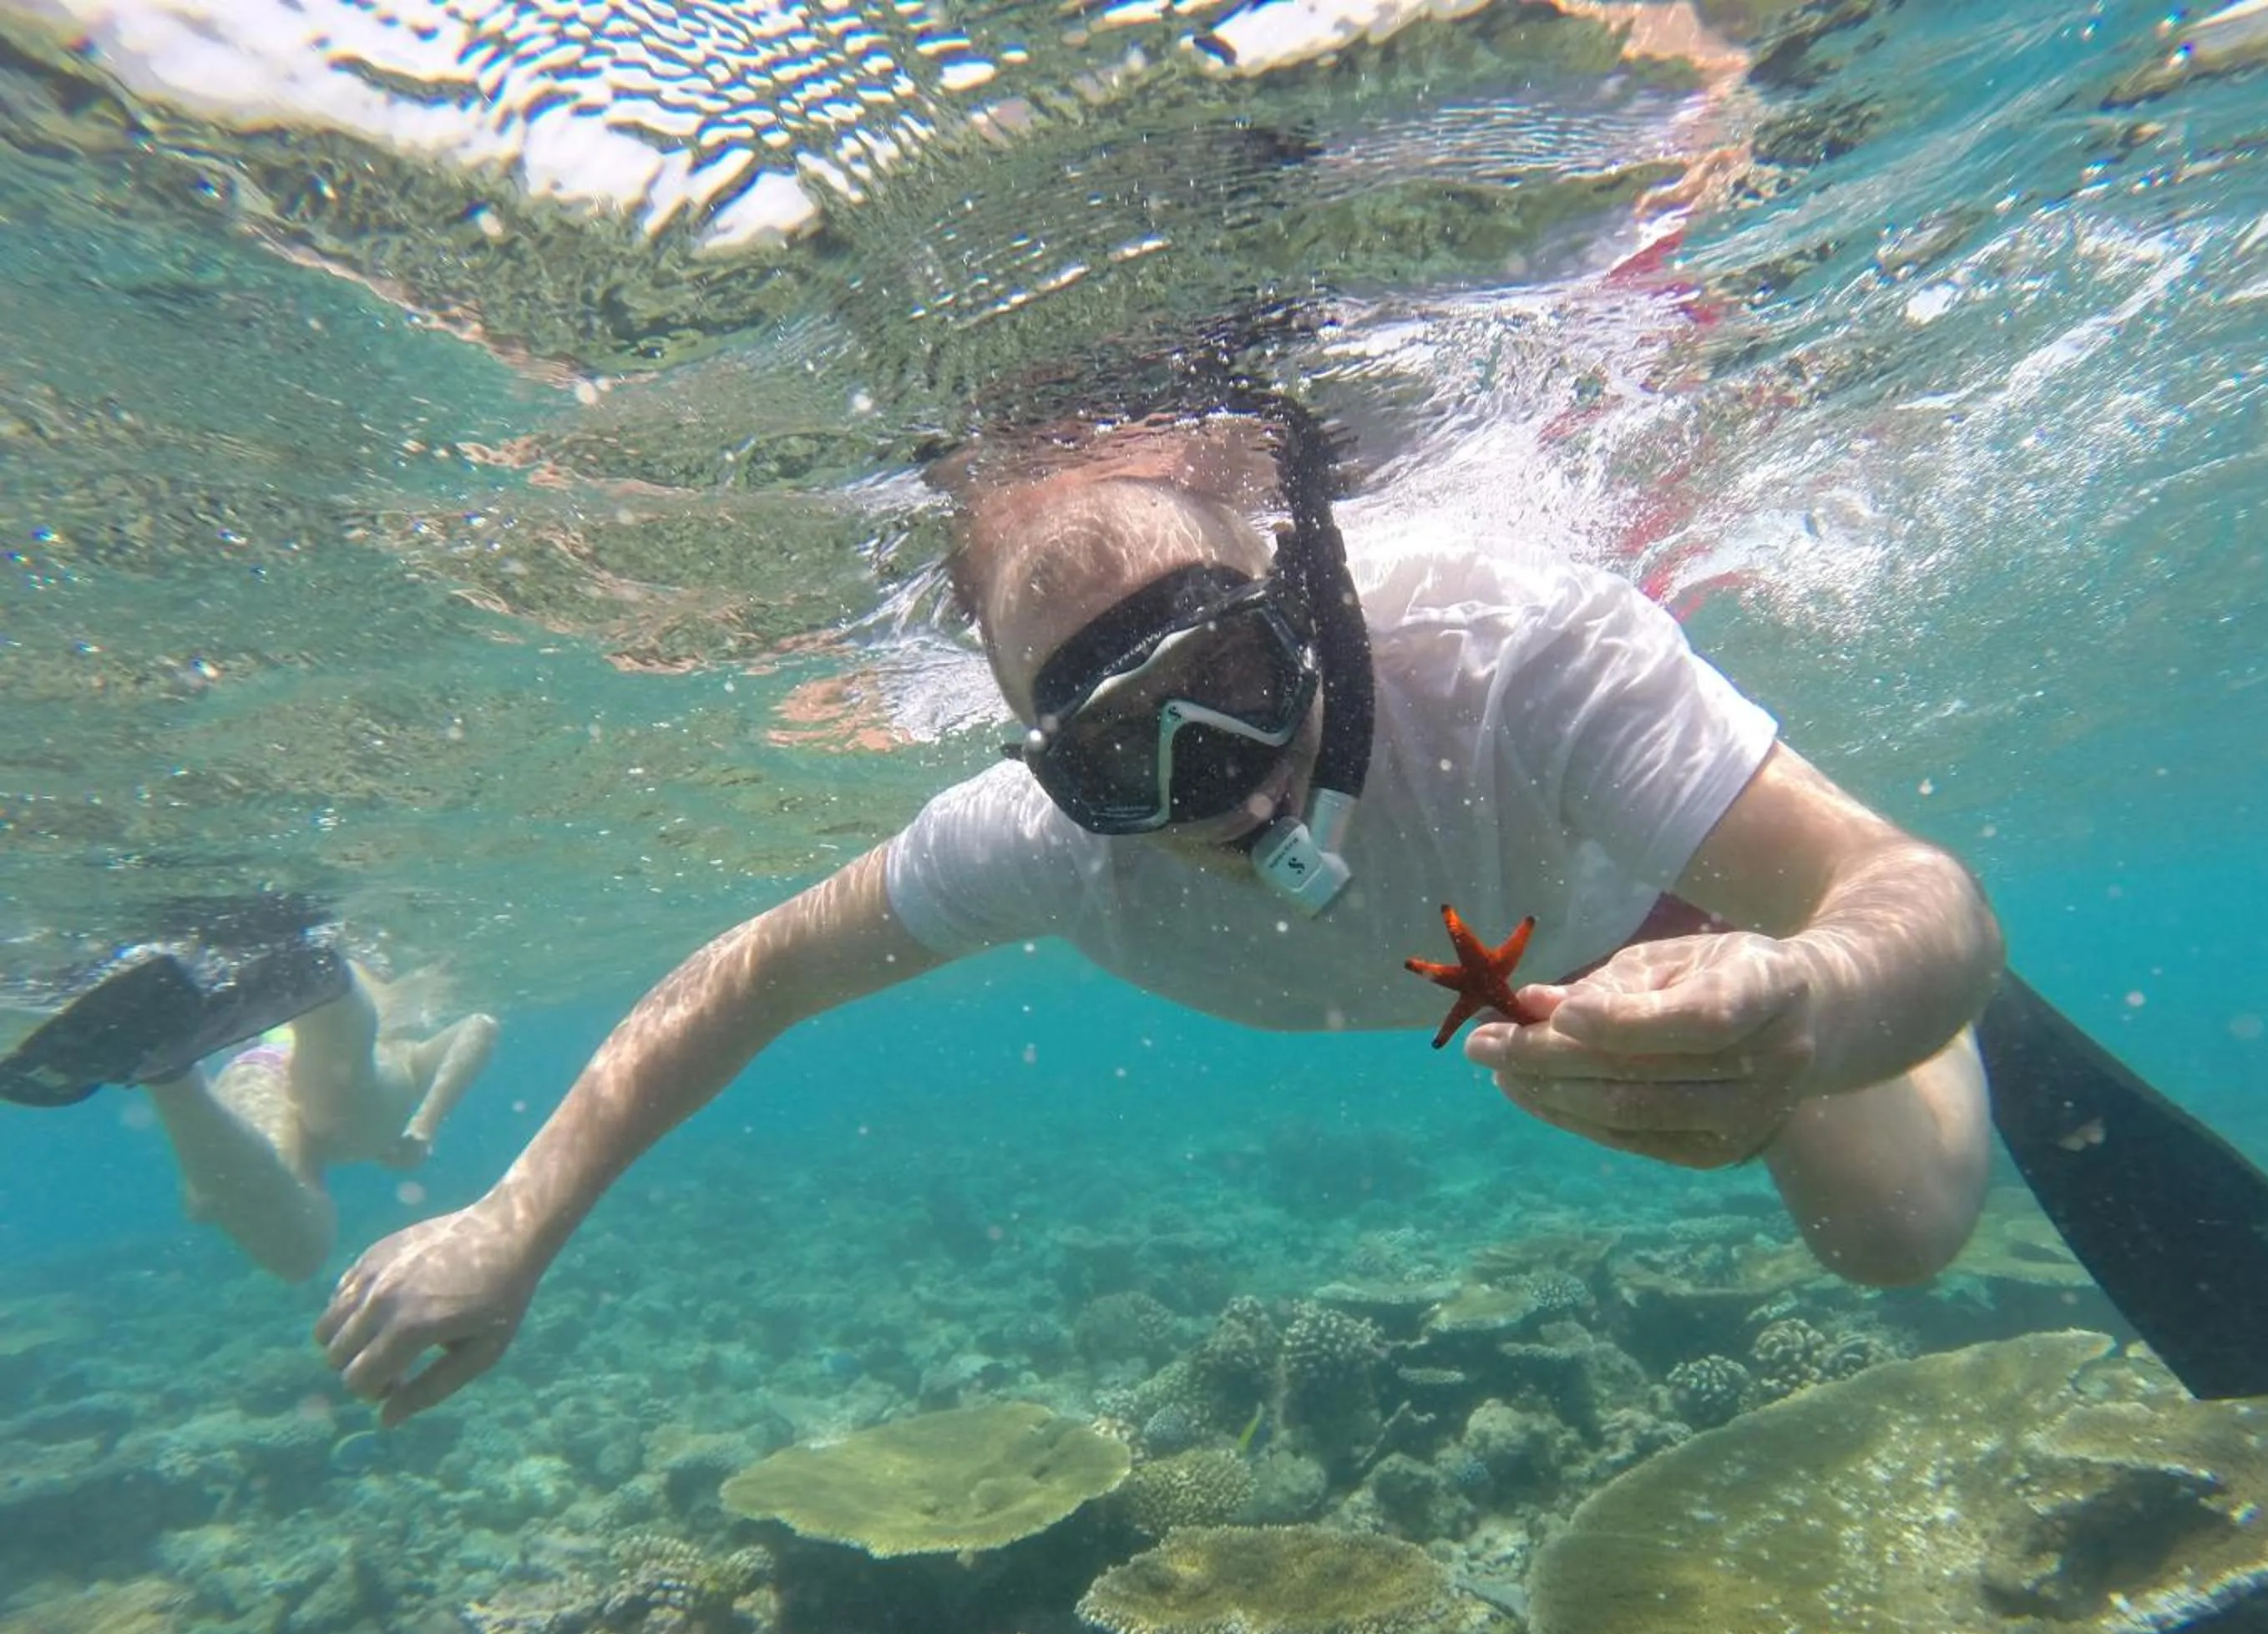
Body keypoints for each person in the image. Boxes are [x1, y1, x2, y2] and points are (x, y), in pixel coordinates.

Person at [314, 400, 2002, 1424]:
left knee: (1895, 1237)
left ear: (1306, 603)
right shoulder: (1033, 847)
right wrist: (505, 1229)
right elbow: (750, 977)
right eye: (1125, 754)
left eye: (1233, 683)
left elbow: (1918, 890)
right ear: (1044, 773)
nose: (1227, 786)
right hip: (1514, 958)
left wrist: (1826, 985)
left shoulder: (1510, 651)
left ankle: (1833, 971)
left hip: (1644, 917)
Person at [1, 930, 499, 1282]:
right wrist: (425, 1127)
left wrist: (215, 1188)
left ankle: (162, 1064)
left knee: (300, 1255)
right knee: (350, 1128)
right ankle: (329, 993)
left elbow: (200, 1200)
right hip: (296, 1063)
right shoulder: (407, 1050)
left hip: (259, 1065)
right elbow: (479, 1025)